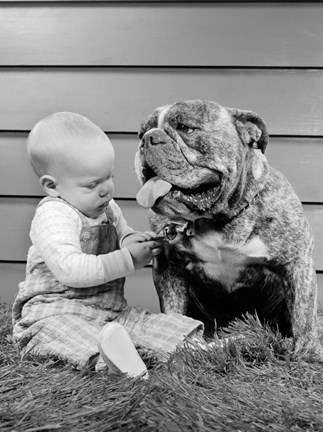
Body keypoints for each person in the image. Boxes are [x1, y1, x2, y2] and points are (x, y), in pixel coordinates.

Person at [12, 112, 207, 378]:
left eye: (109, 176)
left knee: (150, 324)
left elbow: (122, 233)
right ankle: (108, 362)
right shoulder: (54, 215)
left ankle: (193, 347)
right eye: (92, 184)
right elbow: (71, 270)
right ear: (52, 186)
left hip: (109, 312)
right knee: (62, 335)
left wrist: (132, 241)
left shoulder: (106, 207)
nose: (106, 189)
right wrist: (127, 259)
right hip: (57, 311)